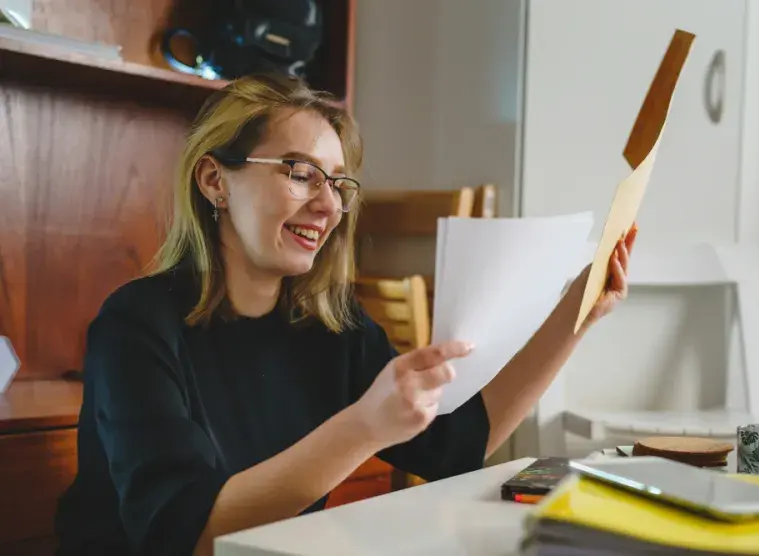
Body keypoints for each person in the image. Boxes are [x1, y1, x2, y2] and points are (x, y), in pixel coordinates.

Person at [54, 73, 637, 556]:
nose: (329, 204)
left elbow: (456, 448)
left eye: (337, 182)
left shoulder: (330, 325)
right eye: (300, 172)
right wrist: (365, 426)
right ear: (215, 181)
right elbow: (186, 535)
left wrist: (576, 315)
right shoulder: (135, 327)